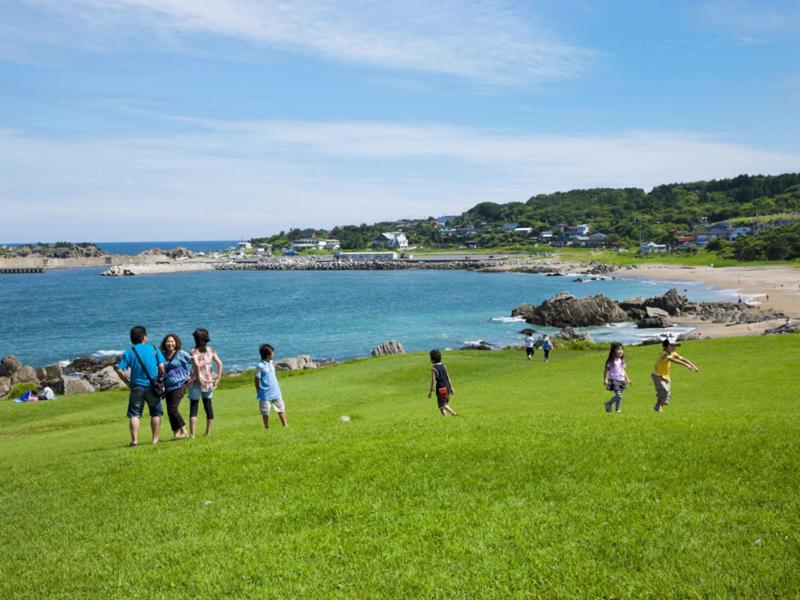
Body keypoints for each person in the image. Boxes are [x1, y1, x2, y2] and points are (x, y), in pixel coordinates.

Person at [115, 325, 166, 446]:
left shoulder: (129, 352)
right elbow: (161, 367)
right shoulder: (153, 348)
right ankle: (155, 439)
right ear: (144, 337)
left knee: (134, 415)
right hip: (152, 386)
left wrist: (127, 382)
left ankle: (134, 441)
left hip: (136, 387)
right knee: (155, 413)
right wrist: (160, 379)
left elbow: (119, 370)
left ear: (131, 338)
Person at [188, 328, 222, 437]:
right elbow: (219, 363)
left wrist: (198, 379)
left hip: (196, 382)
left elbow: (196, 365)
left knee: (194, 406)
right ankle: (208, 432)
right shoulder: (211, 350)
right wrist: (218, 378)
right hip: (208, 381)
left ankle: (192, 434)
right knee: (208, 406)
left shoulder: (193, 351)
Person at [651, 338, 699, 413]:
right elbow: (672, 360)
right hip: (657, 375)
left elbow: (683, 359)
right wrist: (686, 365)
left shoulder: (673, 353)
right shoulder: (664, 353)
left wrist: (693, 366)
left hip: (666, 376)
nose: (674, 347)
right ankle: (658, 406)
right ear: (665, 347)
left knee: (666, 394)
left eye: (675, 346)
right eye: (672, 346)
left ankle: (658, 406)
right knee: (663, 390)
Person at [160, 333, 193, 440]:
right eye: (168, 341)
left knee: (172, 409)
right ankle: (176, 433)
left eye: (172, 341)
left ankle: (184, 431)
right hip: (167, 385)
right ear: (164, 343)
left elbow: (193, 362)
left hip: (180, 383)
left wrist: (192, 375)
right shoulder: (161, 355)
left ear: (176, 342)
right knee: (170, 410)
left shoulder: (181, 353)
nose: (170, 343)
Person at [254, 344, 287, 429]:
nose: (273, 354)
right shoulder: (260, 366)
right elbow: (256, 379)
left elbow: (275, 367)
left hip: (275, 391)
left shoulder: (271, 362)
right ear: (268, 355)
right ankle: (266, 427)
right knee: (265, 411)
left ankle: (285, 425)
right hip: (265, 393)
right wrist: (258, 390)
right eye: (272, 353)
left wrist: (282, 368)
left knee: (281, 408)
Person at [603, 342, 632, 413]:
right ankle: (608, 403)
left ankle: (618, 409)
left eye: (621, 349)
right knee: (619, 395)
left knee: (620, 396)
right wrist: (605, 379)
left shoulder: (621, 360)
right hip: (614, 380)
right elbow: (606, 370)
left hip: (621, 380)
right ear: (613, 351)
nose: (620, 351)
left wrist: (627, 379)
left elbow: (623, 371)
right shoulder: (611, 360)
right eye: (618, 349)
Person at [427, 349, 458, 416]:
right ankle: (445, 418)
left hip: (442, 389)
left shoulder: (434, 369)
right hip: (448, 387)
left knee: (442, 405)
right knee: (443, 405)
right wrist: (451, 387)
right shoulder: (444, 366)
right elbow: (448, 377)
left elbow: (433, 381)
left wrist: (431, 392)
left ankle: (453, 413)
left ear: (433, 359)